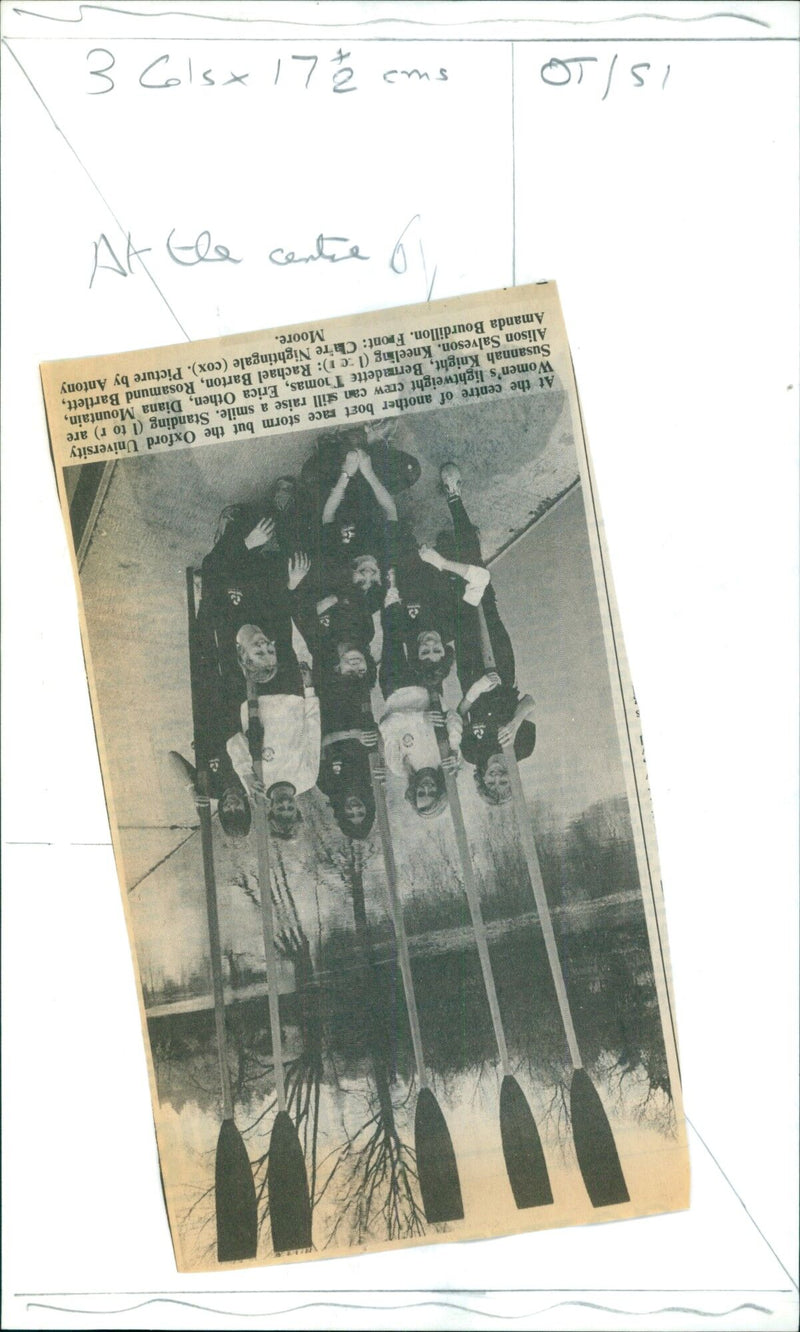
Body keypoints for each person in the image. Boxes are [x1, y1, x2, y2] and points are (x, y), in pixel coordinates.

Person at [433, 462, 537, 804]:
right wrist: (516, 720)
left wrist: (475, 692)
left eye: (492, 781)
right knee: (481, 584)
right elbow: (530, 701)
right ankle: (453, 498)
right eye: (504, 780)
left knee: (458, 598)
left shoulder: (471, 753)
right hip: (501, 663)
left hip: (470, 670)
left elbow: (457, 715)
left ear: (481, 778)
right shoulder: (521, 747)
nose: (497, 775)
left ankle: (453, 547)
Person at [377, 576, 462, 818]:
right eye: (431, 792)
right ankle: (414, 578)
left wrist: (420, 718)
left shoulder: (400, 766)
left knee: (392, 635)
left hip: (395, 688)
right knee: (421, 631)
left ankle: (389, 582)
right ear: (440, 790)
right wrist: (454, 747)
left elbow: (387, 724)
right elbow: (453, 717)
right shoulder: (446, 758)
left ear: (413, 793)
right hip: (427, 685)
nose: (426, 788)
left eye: (421, 794)